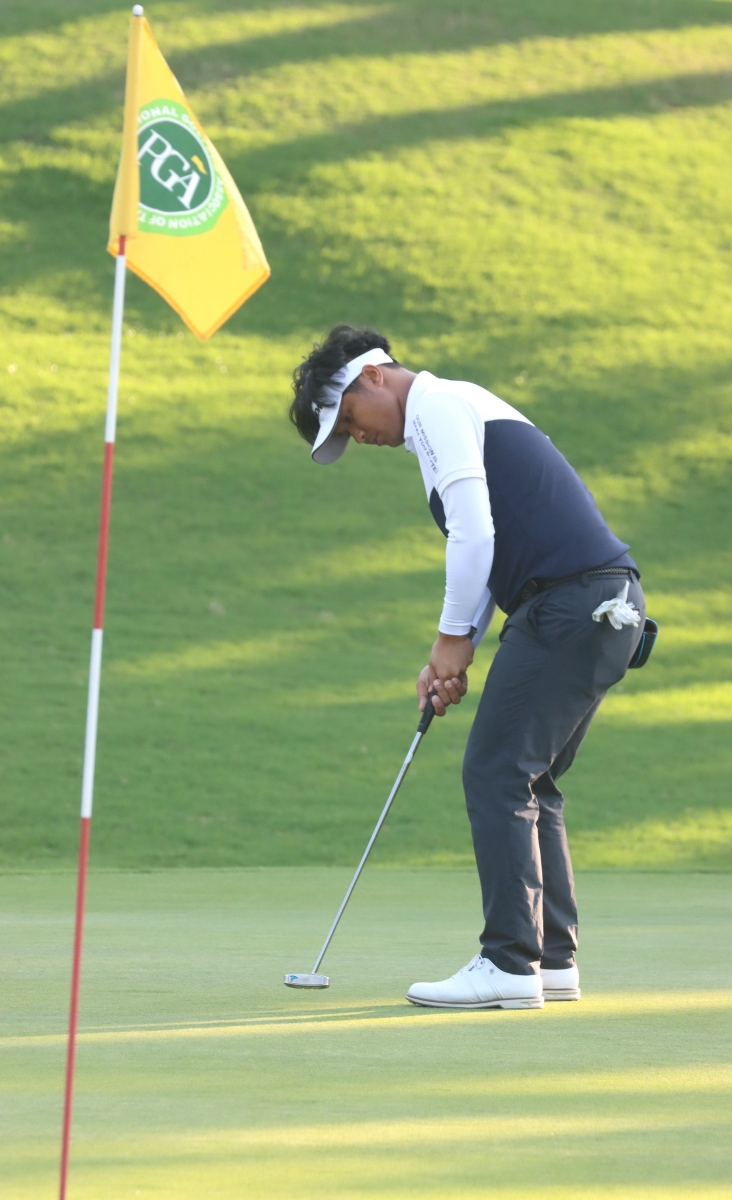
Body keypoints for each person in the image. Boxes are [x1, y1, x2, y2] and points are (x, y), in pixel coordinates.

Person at [289, 324, 645, 1011]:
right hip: (596, 604)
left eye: (350, 418)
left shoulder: (439, 405)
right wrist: (457, 647)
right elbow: (488, 546)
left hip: (570, 602)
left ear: (373, 376)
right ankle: (550, 960)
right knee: (529, 777)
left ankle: (508, 962)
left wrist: (451, 640)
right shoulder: (444, 418)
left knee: (496, 770)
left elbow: (476, 534)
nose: (357, 436)